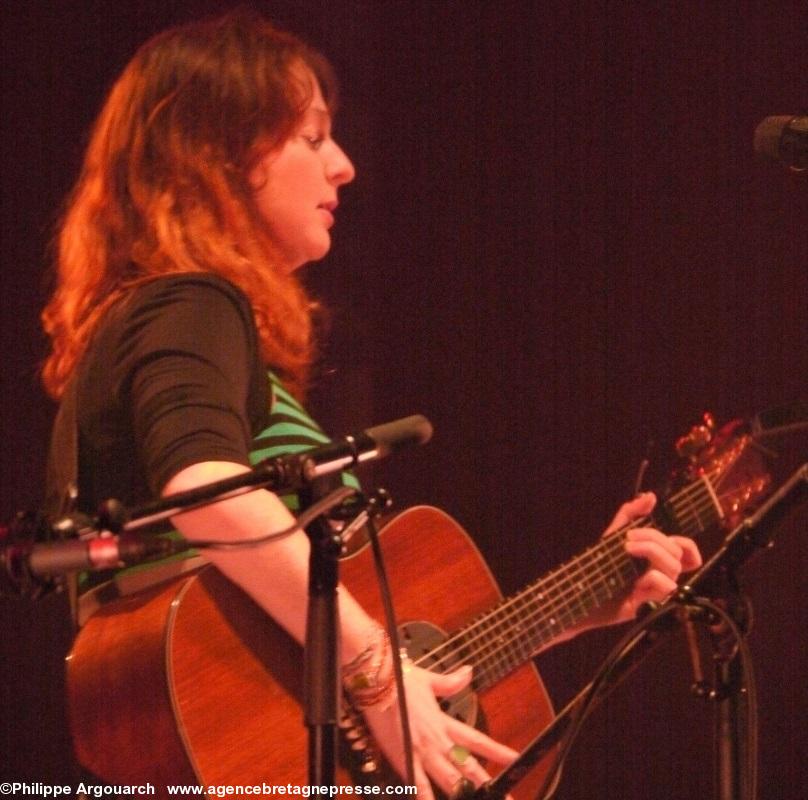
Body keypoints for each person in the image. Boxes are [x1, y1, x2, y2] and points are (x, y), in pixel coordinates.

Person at [41, 10, 701, 799]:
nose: (345, 166)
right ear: (219, 154)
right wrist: (380, 682)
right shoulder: (191, 301)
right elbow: (205, 492)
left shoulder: (169, 321)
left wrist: (578, 610)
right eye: (312, 137)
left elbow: (312, 642)